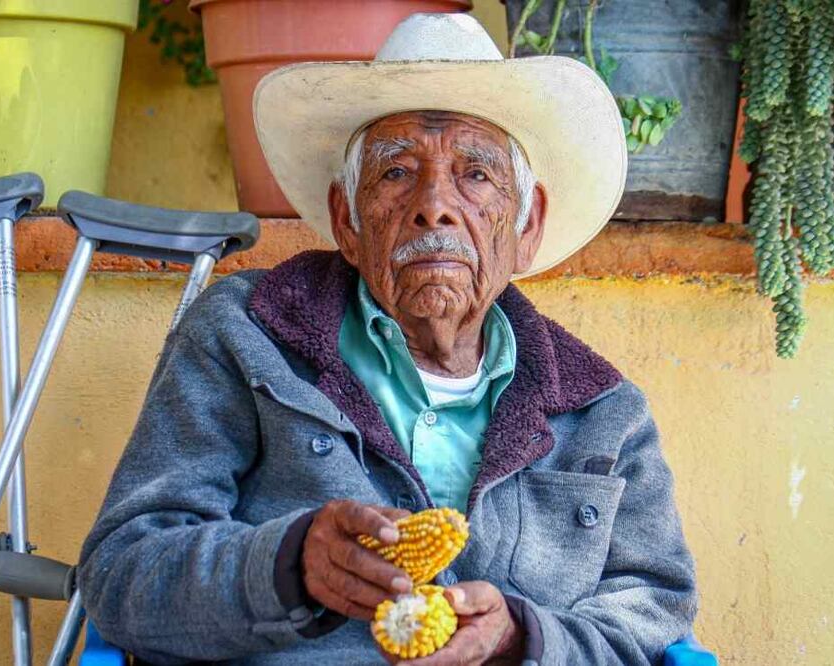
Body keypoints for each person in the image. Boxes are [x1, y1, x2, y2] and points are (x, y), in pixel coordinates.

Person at [79, 12, 697, 665]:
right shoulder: (243, 334)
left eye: (476, 175)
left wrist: (521, 640)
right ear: (345, 219)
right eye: (397, 172)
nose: (434, 203)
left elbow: (653, 610)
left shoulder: (603, 413)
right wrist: (288, 564)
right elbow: (123, 573)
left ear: (526, 224)